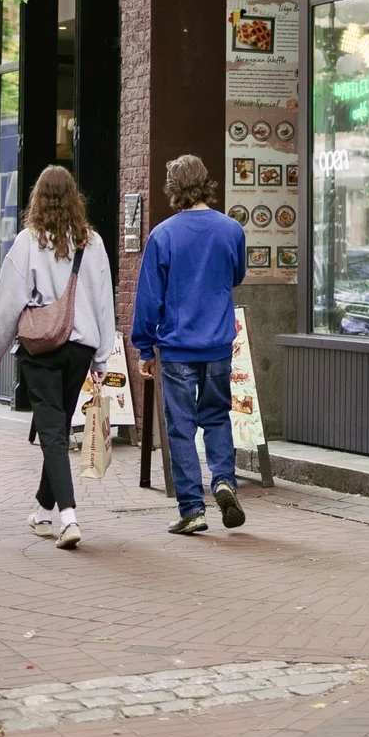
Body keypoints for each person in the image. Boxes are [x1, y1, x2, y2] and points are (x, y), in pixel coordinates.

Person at [0, 167, 119, 548]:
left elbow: (8, 301)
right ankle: (44, 510)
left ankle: (69, 517)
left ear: (37, 199)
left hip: (40, 350)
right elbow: (103, 300)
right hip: (80, 350)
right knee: (56, 429)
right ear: (75, 198)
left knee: (53, 433)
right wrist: (102, 356)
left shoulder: (28, 242)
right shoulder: (93, 243)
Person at [130, 154, 246, 536]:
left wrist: (145, 348)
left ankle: (193, 508)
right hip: (217, 345)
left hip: (177, 348)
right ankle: (225, 480)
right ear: (206, 183)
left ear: (174, 188)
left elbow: (149, 298)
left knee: (180, 428)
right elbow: (236, 275)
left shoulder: (162, 235)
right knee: (216, 416)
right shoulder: (231, 230)